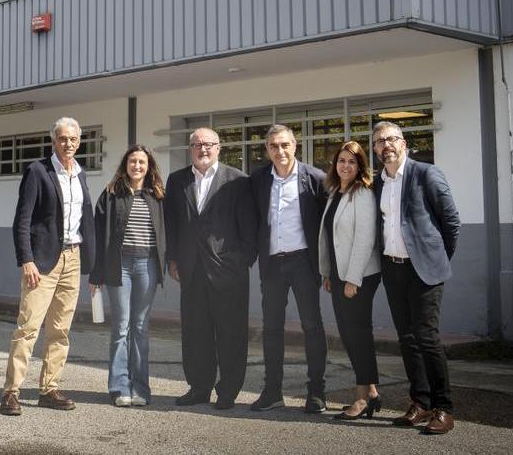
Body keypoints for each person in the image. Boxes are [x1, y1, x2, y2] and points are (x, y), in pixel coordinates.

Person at [0, 117, 96, 416]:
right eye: (62, 138)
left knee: (60, 330)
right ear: (53, 140)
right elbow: (23, 219)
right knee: (27, 328)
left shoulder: (80, 174)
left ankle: (49, 388)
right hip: (41, 261)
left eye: (73, 139)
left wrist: (93, 265)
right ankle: (11, 392)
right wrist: (26, 259)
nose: (68, 144)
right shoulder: (38, 171)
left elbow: (86, 220)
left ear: (80, 142)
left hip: (72, 257)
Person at [372, 121, 460, 435]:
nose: (386, 145)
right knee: (407, 339)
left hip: (424, 270)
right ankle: (420, 403)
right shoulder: (378, 183)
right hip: (393, 269)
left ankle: (443, 408)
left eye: (392, 138)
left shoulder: (426, 174)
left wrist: (435, 261)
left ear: (404, 143)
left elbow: (451, 222)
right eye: (380, 141)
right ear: (375, 148)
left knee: (427, 338)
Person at [164, 127, 252, 410]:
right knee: (195, 333)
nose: (203, 149)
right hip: (191, 271)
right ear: (190, 149)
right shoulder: (177, 181)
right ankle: (199, 388)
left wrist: (241, 262)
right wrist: (173, 259)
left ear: (219, 148)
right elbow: (172, 225)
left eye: (209, 144)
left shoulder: (238, 181)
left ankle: (228, 391)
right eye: (197, 145)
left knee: (230, 333)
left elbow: (249, 230)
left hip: (229, 272)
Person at [246, 124, 329, 413]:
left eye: (284, 145)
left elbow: (327, 225)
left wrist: (327, 266)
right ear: (267, 149)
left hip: (304, 263)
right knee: (271, 329)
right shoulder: (257, 180)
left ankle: (316, 392)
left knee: (312, 326)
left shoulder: (317, 178)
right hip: (272, 264)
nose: (279, 151)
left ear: (295, 146)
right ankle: (272, 392)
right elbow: (252, 221)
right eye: (273, 146)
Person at [90, 144, 167, 407]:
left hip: (147, 265)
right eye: (133, 161)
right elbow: (98, 236)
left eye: (142, 162)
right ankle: (119, 387)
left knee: (141, 328)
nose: (137, 166)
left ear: (149, 166)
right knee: (121, 328)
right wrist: (96, 273)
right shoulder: (111, 194)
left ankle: (141, 389)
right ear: (125, 165)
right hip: (119, 265)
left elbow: (167, 234)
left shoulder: (157, 195)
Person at [317, 140, 382, 420]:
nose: (346, 166)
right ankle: (372, 392)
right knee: (347, 333)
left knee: (358, 335)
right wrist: (329, 273)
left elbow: (364, 239)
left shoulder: (363, 193)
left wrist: (352, 278)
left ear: (360, 166)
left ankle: (361, 397)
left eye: (352, 162)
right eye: (342, 161)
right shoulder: (335, 192)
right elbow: (332, 239)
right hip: (339, 274)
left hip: (359, 276)